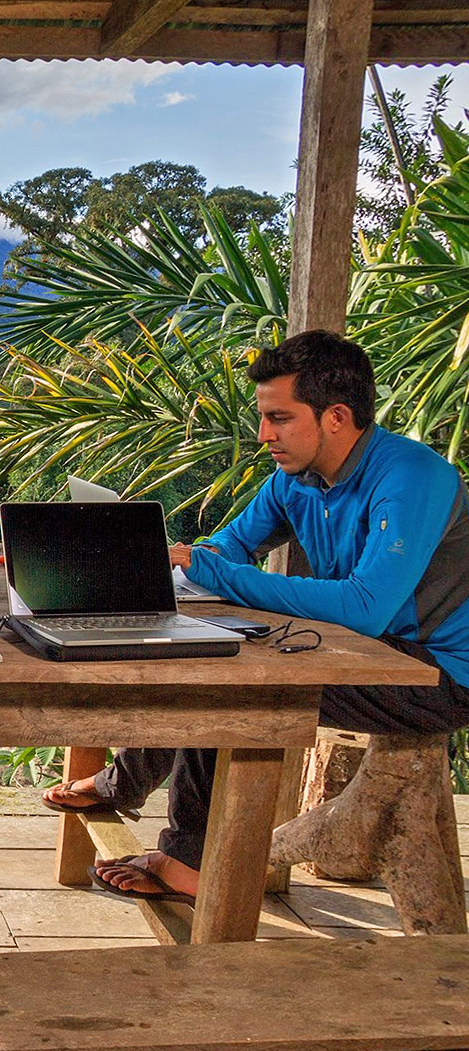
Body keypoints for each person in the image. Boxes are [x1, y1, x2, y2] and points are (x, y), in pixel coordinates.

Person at [42, 330, 469, 904]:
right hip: (371, 651)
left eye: (279, 418)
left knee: (229, 685)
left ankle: (186, 860)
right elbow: (225, 550)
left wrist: (214, 570)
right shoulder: (296, 479)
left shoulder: (411, 477)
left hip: (440, 673)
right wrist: (146, 564)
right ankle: (126, 783)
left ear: (336, 416)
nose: (265, 434)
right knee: (200, 653)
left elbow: (367, 608)